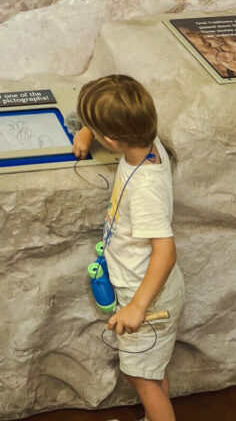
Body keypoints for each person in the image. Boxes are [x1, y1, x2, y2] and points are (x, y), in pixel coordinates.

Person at [73, 74, 184, 421]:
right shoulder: (146, 141)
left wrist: (137, 306)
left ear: (113, 139)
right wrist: (88, 131)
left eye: (93, 127)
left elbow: (166, 251)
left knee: (141, 376)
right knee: (152, 369)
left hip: (146, 295)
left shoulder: (146, 188)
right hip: (140, 285)